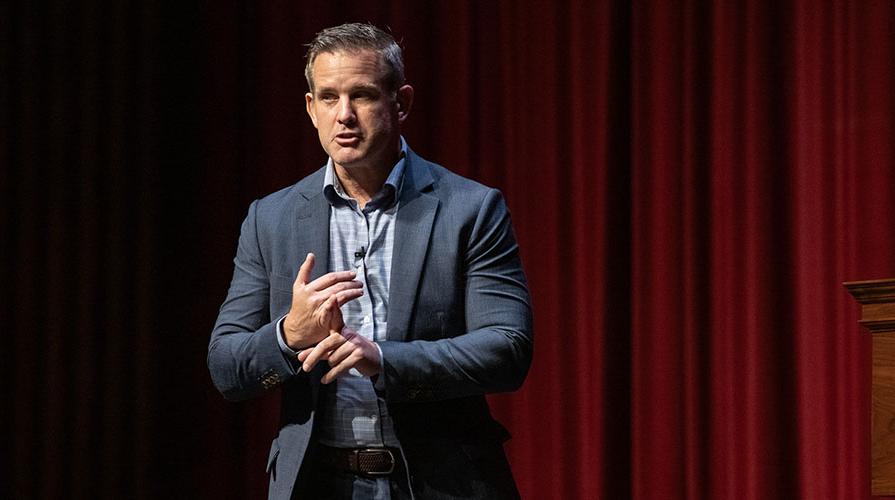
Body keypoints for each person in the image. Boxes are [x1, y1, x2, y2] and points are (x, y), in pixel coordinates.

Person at [208, 22, 533, 500]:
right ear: (309, 108)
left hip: (439, 483)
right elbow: (226, 365)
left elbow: (507, 349)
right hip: (316, 483)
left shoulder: (470, 208)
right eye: (327, 97)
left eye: (361, 95)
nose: (344, 115)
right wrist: (288, 336)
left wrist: (385, 360)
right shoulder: (270, 218)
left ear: (400, 102)